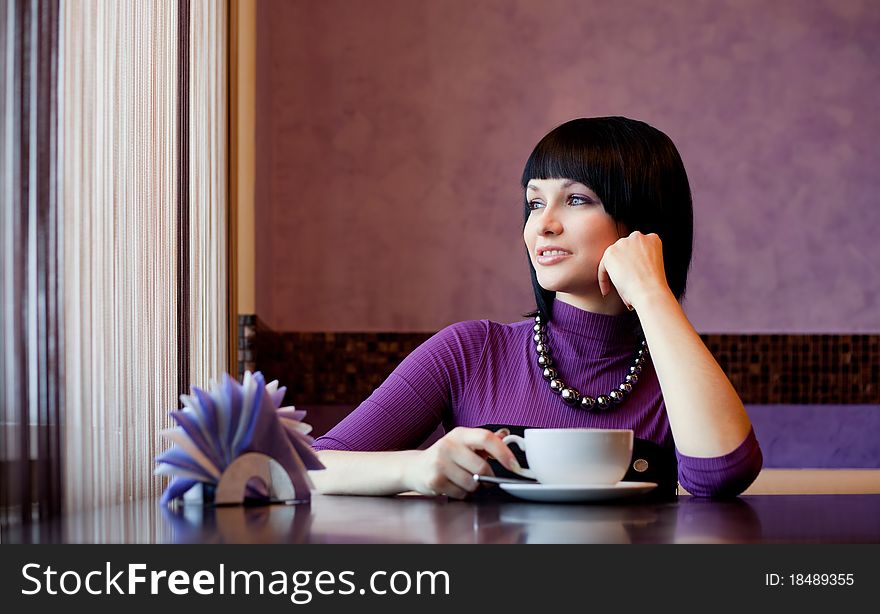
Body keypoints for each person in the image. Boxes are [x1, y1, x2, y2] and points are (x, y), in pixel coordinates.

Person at [310, 116, 762, 499]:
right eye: (534, 202)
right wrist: (415, 469)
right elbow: (308, 468)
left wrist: (651, 293)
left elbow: (720, 475)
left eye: (577, 199)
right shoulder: (470, 351)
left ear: (641, 221)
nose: (542, 225)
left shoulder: (674, 365)